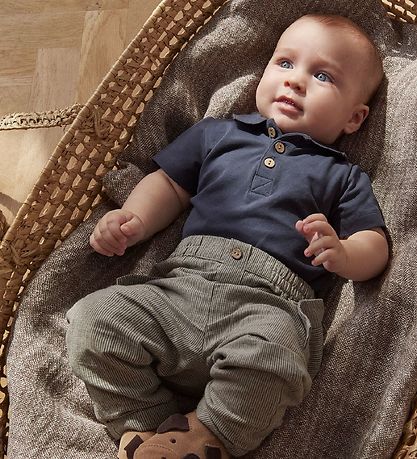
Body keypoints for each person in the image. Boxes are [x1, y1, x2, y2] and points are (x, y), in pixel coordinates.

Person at [66, 13, 389, 459]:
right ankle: (146, 427)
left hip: (267, 306)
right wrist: (133, 219)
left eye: (322, 76)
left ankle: (208, 435)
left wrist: (344, 253)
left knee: (277, 359)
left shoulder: (342, 176)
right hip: (181, 289)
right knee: (93, 320)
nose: (295, 81)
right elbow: (170, 185)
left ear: (354, 118)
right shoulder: (217, 133)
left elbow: (375, 244)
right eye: (285, 63)